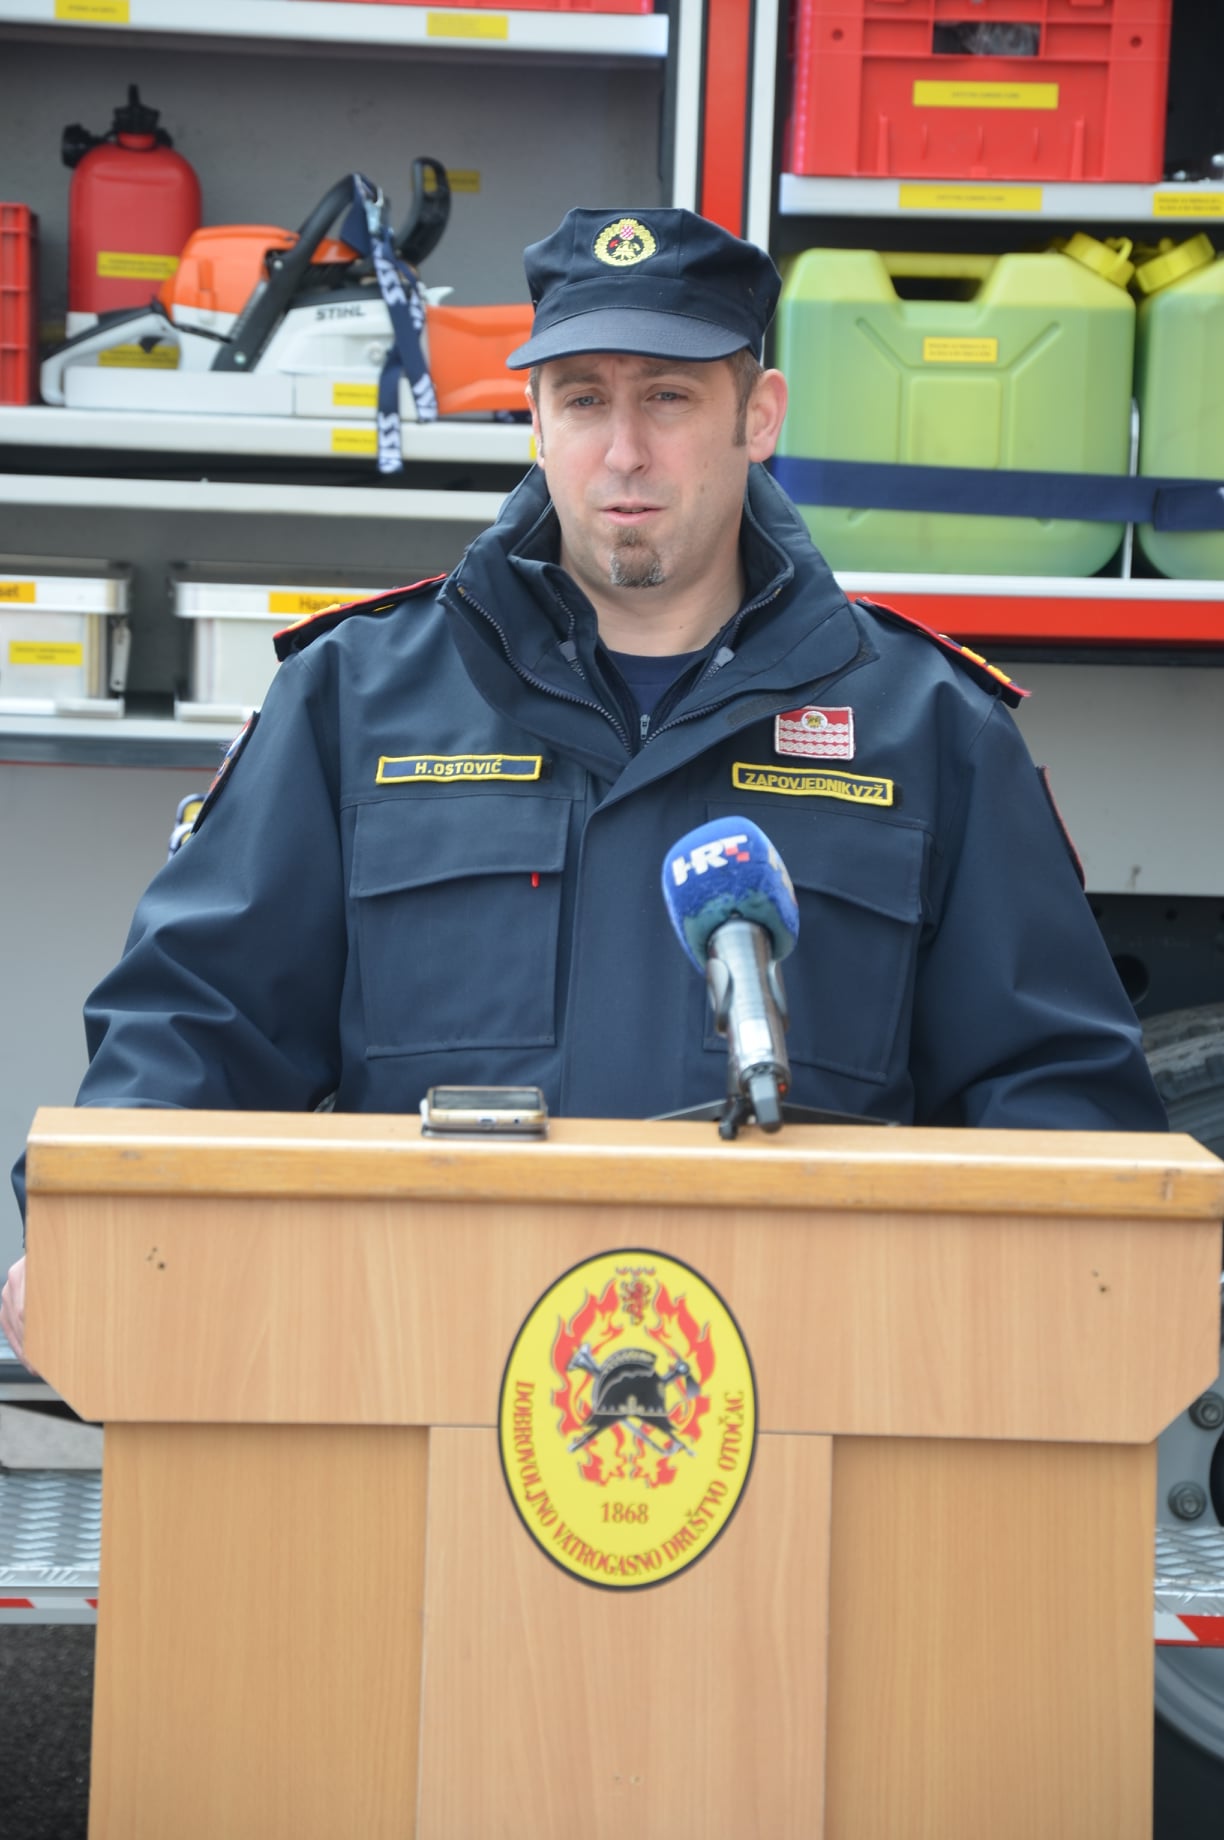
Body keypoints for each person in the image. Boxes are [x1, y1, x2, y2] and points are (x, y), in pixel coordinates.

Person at [1, 205, 1167, 1363]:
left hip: (802, 1389)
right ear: (536, 420)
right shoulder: (356, 699)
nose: (623, 452)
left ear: (758, 416)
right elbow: (197, 1025)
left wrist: (1093, 1279)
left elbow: (1051, 1087)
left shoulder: (926, 727)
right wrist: (99, 1224)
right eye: (583, 400)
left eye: (668, 397)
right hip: (417, 1375)